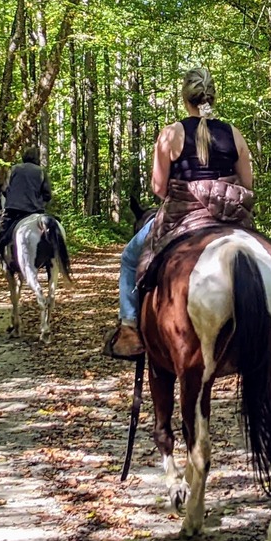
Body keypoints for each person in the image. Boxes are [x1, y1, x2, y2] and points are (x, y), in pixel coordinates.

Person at [104, 67, 256, 358]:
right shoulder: (234, 134)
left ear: (185, 98)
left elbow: (159, 188)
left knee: (129, 258)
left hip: (183, 214)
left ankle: (129, 329)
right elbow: (247, 184)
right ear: (213, 96)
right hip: (231, 217)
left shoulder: (171, 134)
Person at [0, 146, 52, 280]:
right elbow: (47, 194)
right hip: (35, 211)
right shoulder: (41, 172)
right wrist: (38, 202)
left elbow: (5, 189)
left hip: (13, 210)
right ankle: (53, 261)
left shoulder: (13, 169)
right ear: (37, 159)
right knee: (53, 233)